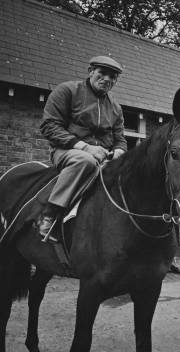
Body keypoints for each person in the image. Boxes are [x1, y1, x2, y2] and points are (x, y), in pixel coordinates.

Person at [36, 56, 127, 241]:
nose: (107, 79)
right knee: (85, 161)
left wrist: (118, 152)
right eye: (102, 73)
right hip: (68, 152)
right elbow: (49, 126)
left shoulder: (116, 108)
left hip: (104, 158)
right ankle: (49, 214)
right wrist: (85, 147)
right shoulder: (67, 91)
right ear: (90, 71)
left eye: (113, 77)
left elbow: (121, 139)